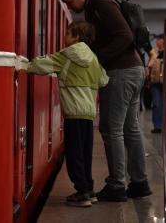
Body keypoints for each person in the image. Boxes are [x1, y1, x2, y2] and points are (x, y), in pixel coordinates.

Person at [55, 0, 152, 202]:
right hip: (132, 70)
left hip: (120, 72)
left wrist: (97, 59)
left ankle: (117, 185)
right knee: (130, 129)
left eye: (70, 2)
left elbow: (125, 36)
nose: (71, 7)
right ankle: (139, 183)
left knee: (111, 129)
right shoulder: (96, 4)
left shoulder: (100, 3)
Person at [27, 21, 109, 207]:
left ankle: (82, 193)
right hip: (88, 113)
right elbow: (103, 80)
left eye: (68, 33)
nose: (64, 37)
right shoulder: (94, 58)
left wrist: (24, 64)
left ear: (76, 37)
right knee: (85, 154)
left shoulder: (68, 54)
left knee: (74, 154)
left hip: (73, 112)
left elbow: (41, 65)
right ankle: (88, 189)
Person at [149, 34, 164, 133]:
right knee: (156, 104)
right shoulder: (154, 52)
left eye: (159, 40)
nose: (157, 42)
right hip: (155, 83)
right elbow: (150, 65)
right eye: (157, 40)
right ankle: (157, 126)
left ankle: (165, 125)